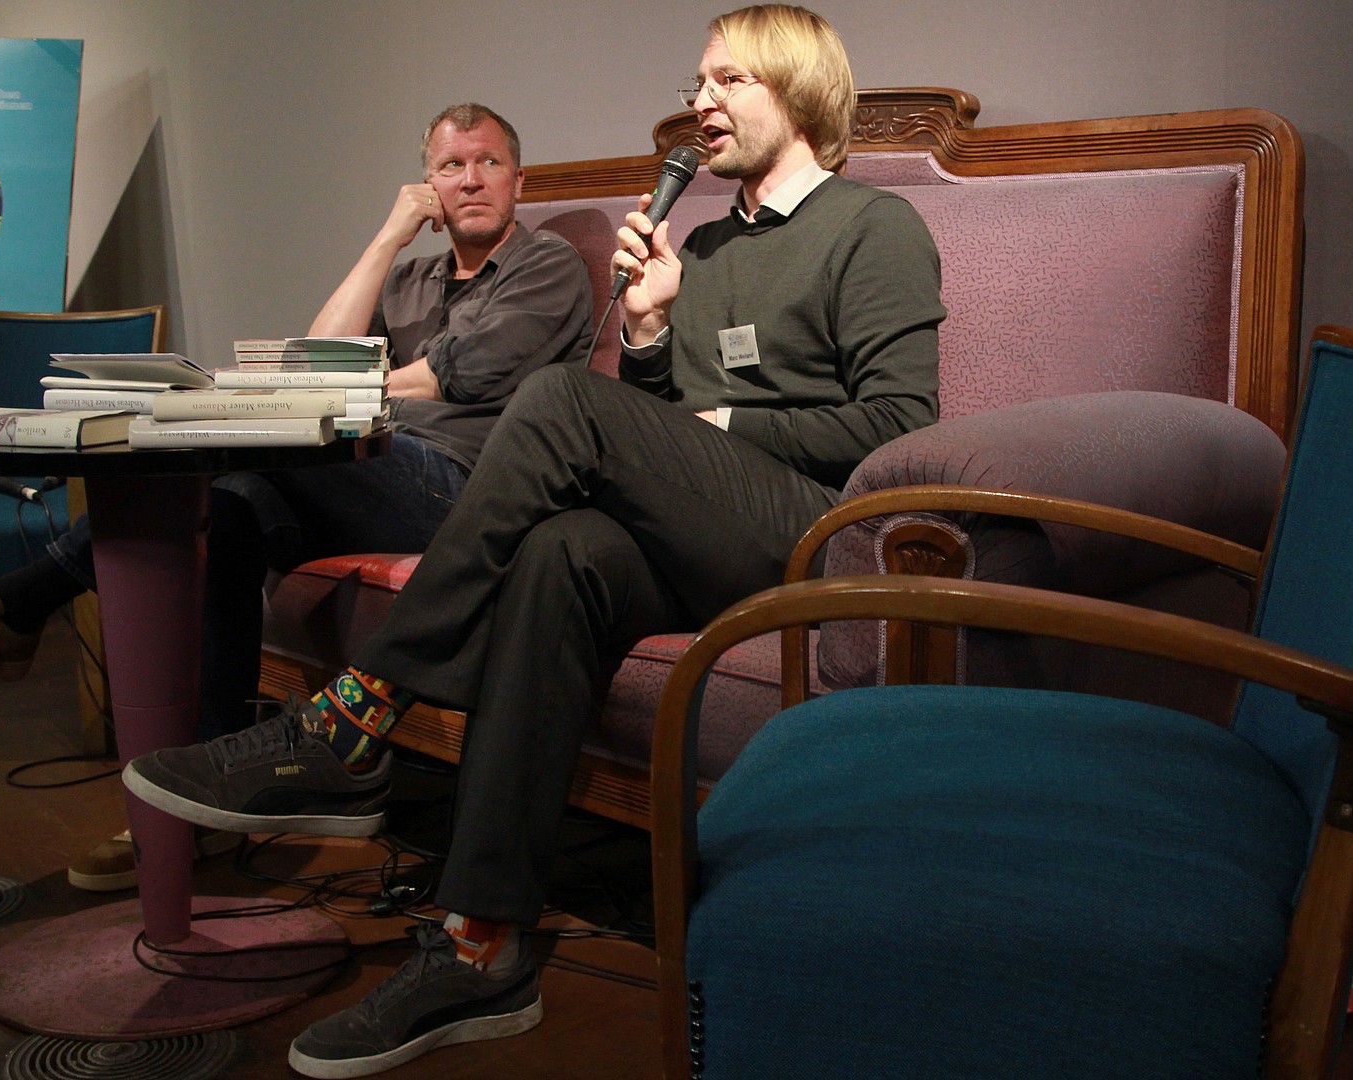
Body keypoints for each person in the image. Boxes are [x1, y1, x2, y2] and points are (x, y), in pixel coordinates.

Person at [121, 5, 946, 1076]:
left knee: (557, 397)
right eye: (698, 83)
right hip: (708, 530)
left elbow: (897, 427)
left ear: (797, 89)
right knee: (561, 557)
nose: (699, 103)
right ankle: (482, 941)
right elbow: (664, 427)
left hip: (805, 530)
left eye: (727, 81)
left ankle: (357, 715)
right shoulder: (701, 246)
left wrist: (719, 424)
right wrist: (649, 334)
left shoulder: (872, 227)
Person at [0, 102, 595, 887]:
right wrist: (386, 239)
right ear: (426, 184)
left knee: (249, 447)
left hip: (460, 489)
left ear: (519, 180)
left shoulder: (547, 264)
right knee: (225, 505)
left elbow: (466, 374)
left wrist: (335, 392)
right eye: (451, 165)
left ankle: (11, 607)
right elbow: (310, 363)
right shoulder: (409, 276)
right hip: (363, 475)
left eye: (489, 162)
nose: (471, 179)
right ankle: (202, 807)